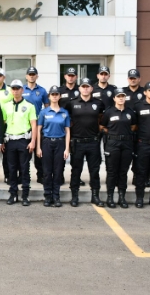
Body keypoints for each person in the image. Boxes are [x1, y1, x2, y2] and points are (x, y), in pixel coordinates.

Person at [65, 77, 105, 207]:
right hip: (77, 142)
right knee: (76, 170)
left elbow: (101, 118)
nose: (86, 88)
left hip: (93, 142)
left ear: (92, 88)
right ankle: (75, 196)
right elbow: (67, 120)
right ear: (79, 88)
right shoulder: (72, 103)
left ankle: (95, 196)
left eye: (88, 86)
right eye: (83, 86)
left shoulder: (98, 103)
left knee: (94, 170)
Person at [100, 88, 137, 208]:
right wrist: (112, 134)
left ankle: (122, 197)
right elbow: (102, 126)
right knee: (112, 171)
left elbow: (133, 126)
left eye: (123, 96)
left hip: (126, 144)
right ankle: (110, 197)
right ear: (114, 98)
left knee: (123, 171)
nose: (121, 98)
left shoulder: (130, 112)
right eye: (118, 96)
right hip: (113, 143)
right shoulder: (109, 112)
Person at [2, 79, 37, 206]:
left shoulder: (29, 106)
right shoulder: (5, 106)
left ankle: (25, 196)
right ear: (11, 90)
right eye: (13, 88)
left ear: (22, 90)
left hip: (24, 140)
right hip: (10, 140)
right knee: (11, 169)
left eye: (18, 88)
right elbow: (3, 124)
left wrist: (33, 141)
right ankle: (13, 194)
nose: (15, 91)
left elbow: (34, 125)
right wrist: (2, 141)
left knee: (24, 169)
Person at [36, 86, 70, 207]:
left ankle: (56, 196)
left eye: (57, 94)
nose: (55, 96)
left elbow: (67, 131)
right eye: (52, 94)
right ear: (49, 96)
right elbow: (38, 130)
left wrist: (67, 149)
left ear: (59, 96)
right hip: (47, 143)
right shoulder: (44, 112)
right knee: (46, 171)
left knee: (58, 171)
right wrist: (38, 147)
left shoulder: (64, 112)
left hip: (60, 143)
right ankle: (47, 196)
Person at [22, 66, 49, 184]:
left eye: (34, 74)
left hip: (38, 126)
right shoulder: (21, 89)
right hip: (24, 125)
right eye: (30, 74)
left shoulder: (42, 91)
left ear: (37, 76)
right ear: (26, 76)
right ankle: (23, 175)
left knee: (39, 153)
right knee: (25, 153)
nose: (31, 76)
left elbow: (47, 107)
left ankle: (40, 175)